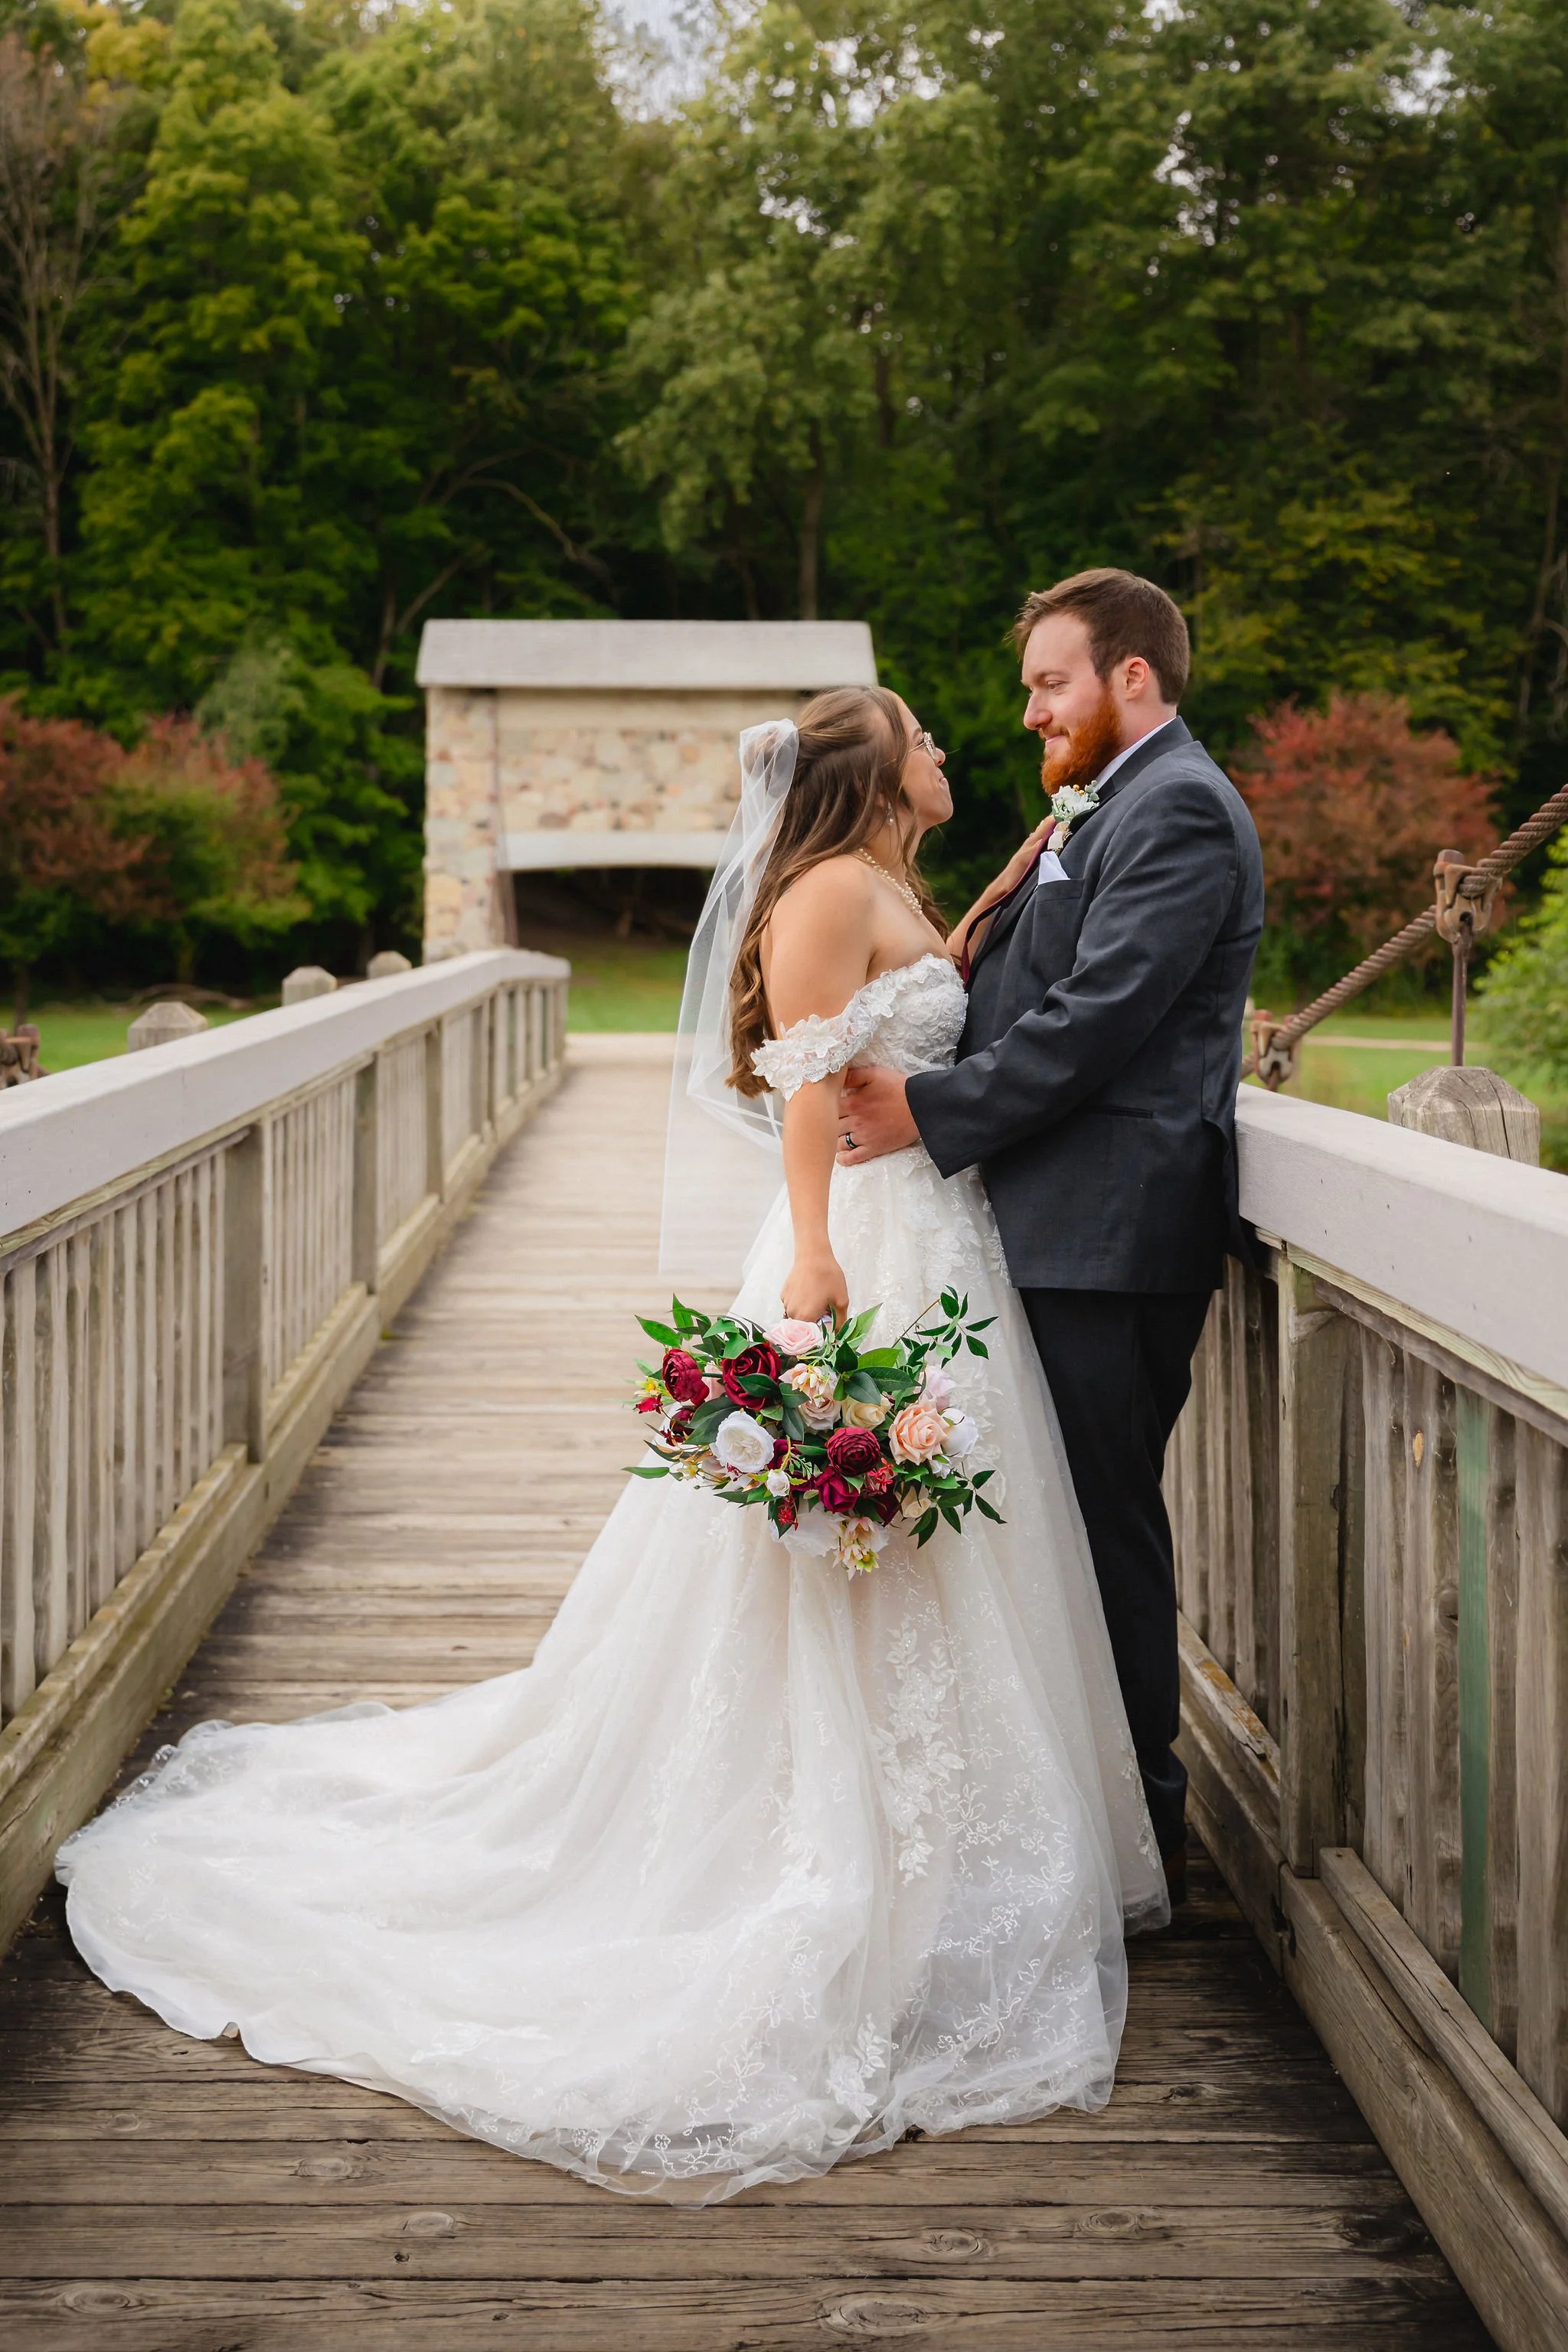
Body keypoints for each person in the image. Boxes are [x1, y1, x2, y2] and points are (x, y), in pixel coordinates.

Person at [56, 683, 1165, 2206]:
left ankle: (954, 1857)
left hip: (938, 1233)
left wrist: (995, 916)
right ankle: (827, 1845)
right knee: (857, 1535)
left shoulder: (893, 882)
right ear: (868, 770)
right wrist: (815, 1260)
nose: (946, 752)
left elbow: (895, 1042)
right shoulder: (830, 887)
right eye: (922, 737)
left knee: (941, 1535)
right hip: (863, 1244)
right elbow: (797, 1075)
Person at [835, 572, 1266, 1898]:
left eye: (1051, 683)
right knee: (1047, 1536)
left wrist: (930, 1113)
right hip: (1048, 1223)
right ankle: (1073, 1828)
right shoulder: (1104, 801)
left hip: (1109, 1233)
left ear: (1132, 676)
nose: (1029, 713)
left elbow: (1101, 1016)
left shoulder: (1180, 808)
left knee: (1099, 1530)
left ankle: (1145, 1841)